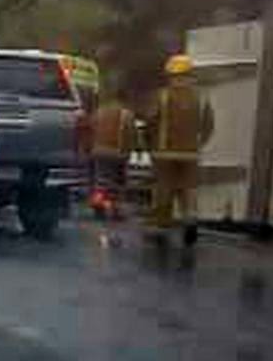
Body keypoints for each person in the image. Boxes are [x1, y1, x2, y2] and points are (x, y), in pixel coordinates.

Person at [144, 54, 214, 247]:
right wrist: (198, 145)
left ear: (170, 75)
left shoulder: (162, 96)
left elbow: (150, 123)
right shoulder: (202, 96)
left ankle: (161, 229)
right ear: (191, 74)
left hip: (164, 154)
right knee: (188, 192)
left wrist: (149, 146)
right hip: (191, 155)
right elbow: (208, 125)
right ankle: (190, 220)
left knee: (163, 191)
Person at [89, 93, 136, 220]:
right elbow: (131, 134)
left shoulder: (98, 113)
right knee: (118, 183)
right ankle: (117, 210)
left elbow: (90, 130)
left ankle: (98, 206)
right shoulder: (127, 115)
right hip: (118, 153)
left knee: (101, 181)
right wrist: (130, 152)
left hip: (99, 151)